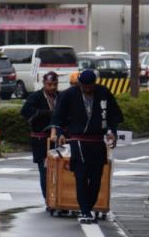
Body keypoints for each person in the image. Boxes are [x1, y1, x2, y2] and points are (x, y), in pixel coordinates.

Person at [52, 68, 122, 224]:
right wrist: (60, 132)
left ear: (95, 84)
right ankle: (84, 211)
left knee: (96, 178)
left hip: (98, 140)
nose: (88, 90)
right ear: (80, 84)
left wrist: (112, 131)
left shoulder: (103, 92)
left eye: (91, 87)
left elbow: (114, 115)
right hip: (78, 140)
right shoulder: (69, 94)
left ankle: (88, 208)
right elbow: (58, 116)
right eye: (85, 87)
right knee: (81, 176)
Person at [19, 70, 60, 207]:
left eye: (55, 84)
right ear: (44, 83)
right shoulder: (35, 96)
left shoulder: (60, 96)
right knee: (45, 170)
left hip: (59, 139)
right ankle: (48, 199)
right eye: (49, 84)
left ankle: (60, 198)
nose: (52, 87)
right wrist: (47, 113)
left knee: (61, 170)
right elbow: (25, 111)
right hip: (41, 140)